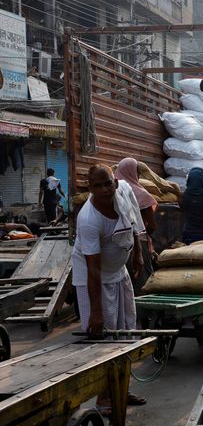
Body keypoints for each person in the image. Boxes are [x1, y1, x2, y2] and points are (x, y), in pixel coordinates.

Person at [71, 164, 147, 412]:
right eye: (98, 186)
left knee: (126, 331)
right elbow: (93, 269)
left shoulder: (124, 190)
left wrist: (137, 253)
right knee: (104, 338)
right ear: (90, 188)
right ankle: (104, 399)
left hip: (119, 272)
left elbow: (132, 219)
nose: (105, 190)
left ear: (115, 181)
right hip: (96, 279)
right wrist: (96, 312)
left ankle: (121, 391)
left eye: (108, 183)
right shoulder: (88, 220)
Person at [115, 158, 157, 294]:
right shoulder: (141, 194)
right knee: (142, 280)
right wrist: (145, 233)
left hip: (118, 243)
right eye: (137, 172)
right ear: (132, 172)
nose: (138, 176)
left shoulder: (114, 193)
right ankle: (144, 312)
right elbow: (152, 225)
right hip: (140, 241)